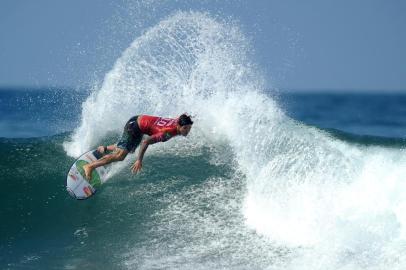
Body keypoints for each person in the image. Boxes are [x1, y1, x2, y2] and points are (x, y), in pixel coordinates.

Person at [82, 114, 193, 180]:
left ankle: (104, 149)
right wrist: (139, 160)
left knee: (129, 149)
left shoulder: (179, 120)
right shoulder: (167, 133)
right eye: (185, 128)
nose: (187, 131)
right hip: (134, 125)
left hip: (140, 124)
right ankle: (90, 166)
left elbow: (184, 116)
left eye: (189, 128)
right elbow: (145, 142)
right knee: (121, 156)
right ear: (179, 125)